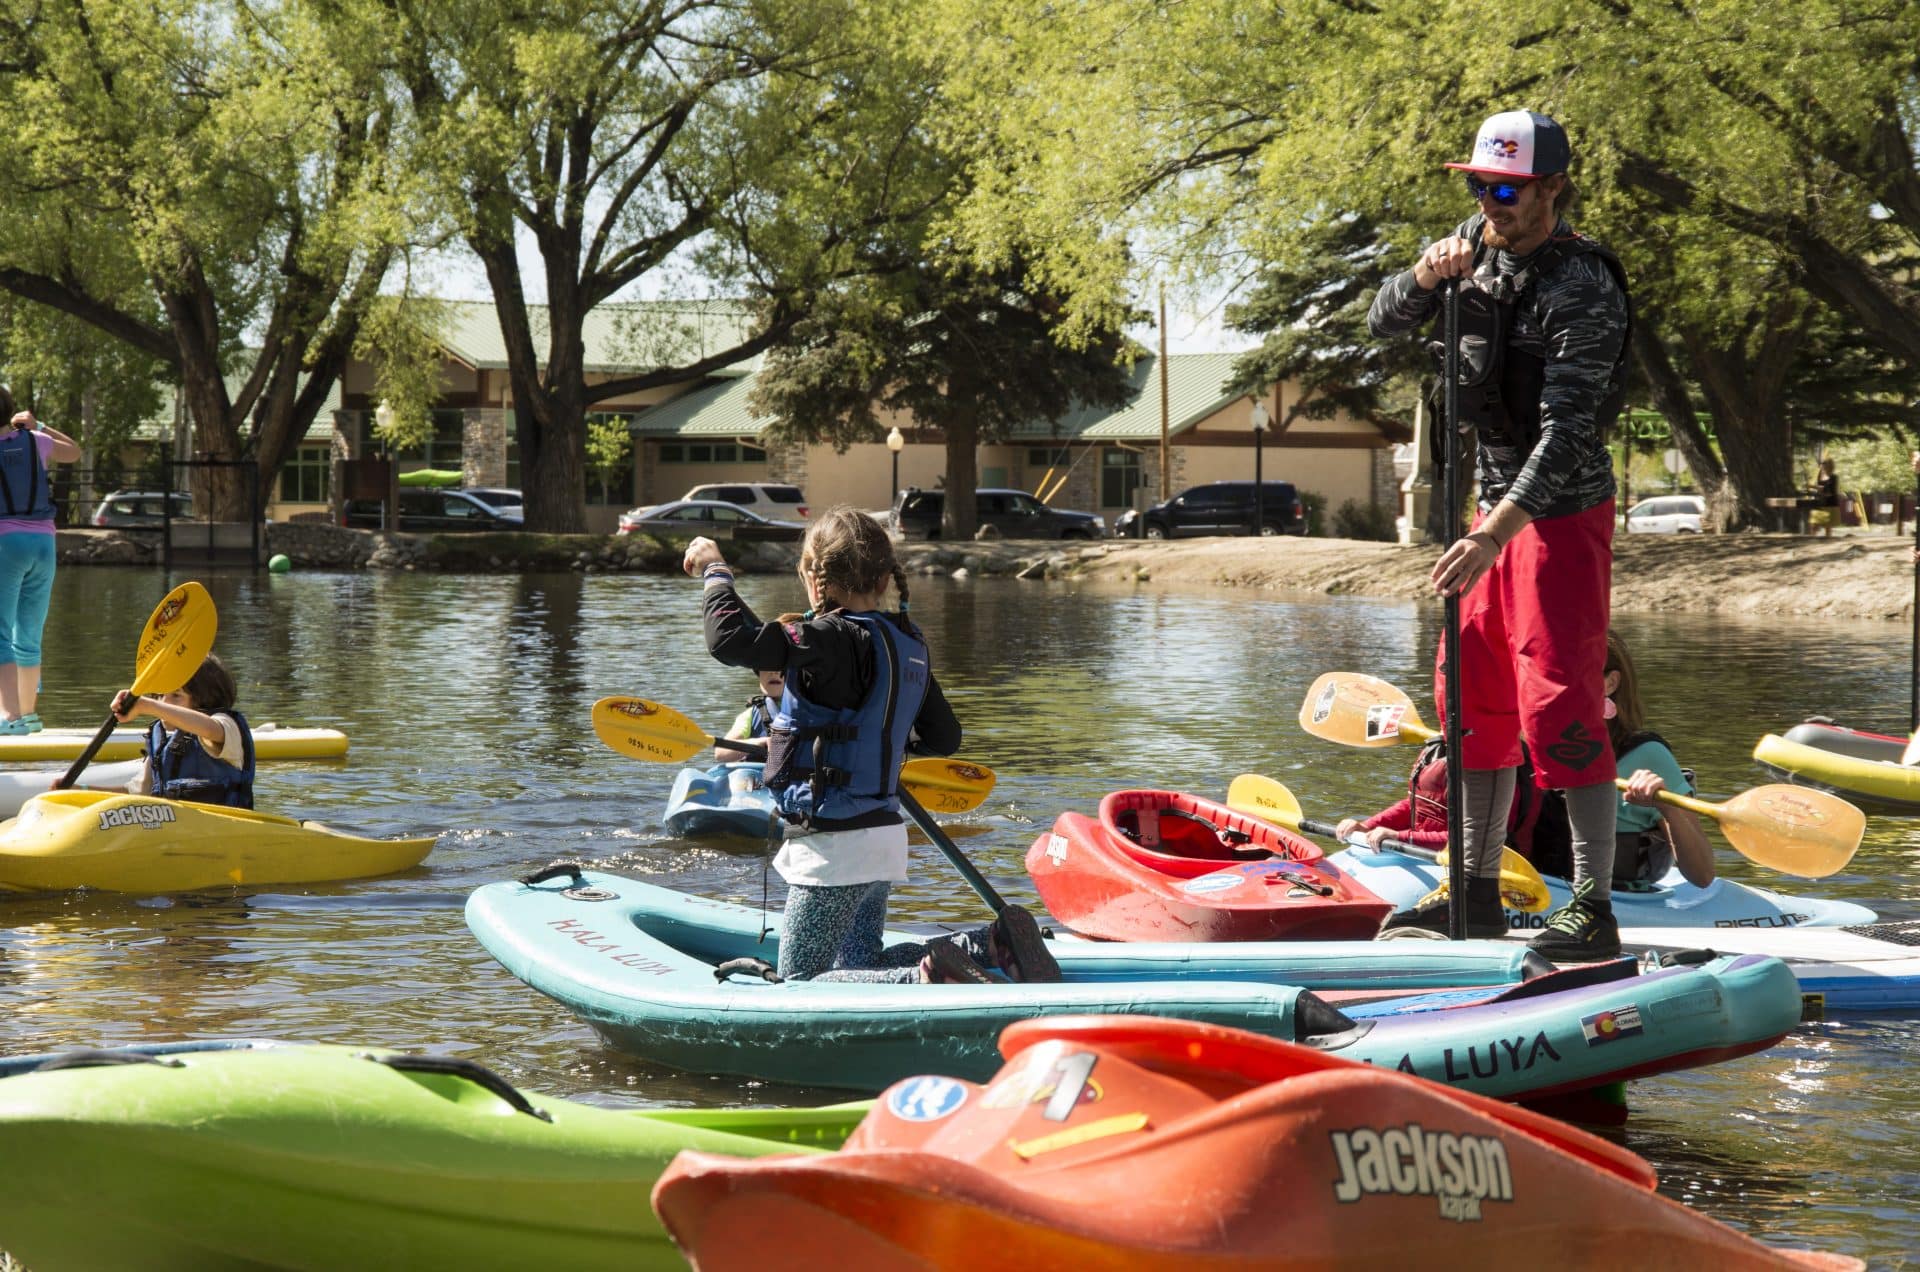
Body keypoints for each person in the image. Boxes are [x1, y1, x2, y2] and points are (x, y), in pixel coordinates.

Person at [1367, 109, 1632, 959]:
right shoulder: (1466, 247)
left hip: (1559, 517)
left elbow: (1567, 436)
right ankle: (1473, 893)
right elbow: (1383, 322)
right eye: (1480, 185)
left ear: (1553, 187)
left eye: (1509, 188)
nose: (1492, 203)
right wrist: (1421, 277)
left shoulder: (1582, 287)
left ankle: (1591, 906)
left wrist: (1495, 535)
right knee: (1471, 701)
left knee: (1558, 702)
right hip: (1491, 514)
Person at [683, 506, 1059, 985]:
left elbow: (731, 640)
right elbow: (945, 737)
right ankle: (985, 944)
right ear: (884, 581)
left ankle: (925, 980)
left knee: (800, 980)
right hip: (883, 834)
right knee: (858, 959)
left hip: (834, 847)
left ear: (814, 580)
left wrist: (717, 571)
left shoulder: (829, 638)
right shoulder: (907, 643)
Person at [1336, 630, 1714, 905]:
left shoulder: (1645, 754)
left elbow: (1701, 876)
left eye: (1560, 677)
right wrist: (1373, 827)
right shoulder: (1526, 743)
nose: (1544, 689)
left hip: (1615, 896)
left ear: (1610, 682)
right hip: (1536, 883)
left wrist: (1668, 806)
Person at [0, 387, 82, 735]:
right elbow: (75, 452)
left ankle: (10, 718)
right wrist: (41, 425)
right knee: (28, 635)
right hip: (44, 544)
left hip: (6, 543)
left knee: (1, 635)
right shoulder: (36, 440)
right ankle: (28, 716)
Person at [72, 654, 256, 807]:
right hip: (174, 836)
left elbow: (209, 728)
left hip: (222, 834)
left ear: (205, 699)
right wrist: (80, 791)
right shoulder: (162, 742)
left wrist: (148, 705)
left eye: (176, 695)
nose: (164, 702)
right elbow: (136, 794)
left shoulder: (226, 726)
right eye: (160, 695)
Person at [715, 668, 786, 762]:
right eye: (766, 666)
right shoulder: (750, 715)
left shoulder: (809, 709)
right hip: (758, 773)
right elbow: (720, 753)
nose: (773, 672)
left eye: (780, 667)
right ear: (759, 675)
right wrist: (761, 742)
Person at [1809, 457, 1840, 538]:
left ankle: (1828, 541)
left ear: (1830, 465)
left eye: (1824, 463)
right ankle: (1812, 540)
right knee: (1814, 524)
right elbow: (1820, 490)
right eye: (1822, 463)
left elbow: (1829, 491)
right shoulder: (1819, 476)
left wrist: (1813, 486)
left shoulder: (1834, 477)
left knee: (1827, 527)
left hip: (1830, 504)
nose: (1822, 465)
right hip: (1820, 503)